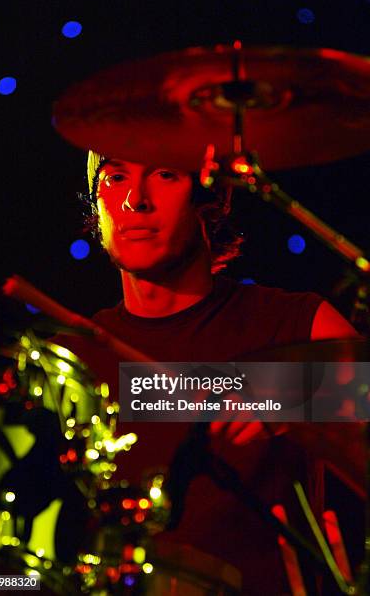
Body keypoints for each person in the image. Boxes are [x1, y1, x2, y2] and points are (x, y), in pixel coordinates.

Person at [55, 152, 361, 595]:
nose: (134, 201)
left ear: (209, 198)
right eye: (115, 176)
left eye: (164, 175)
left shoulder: (299, 325)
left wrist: (293, 395)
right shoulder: (73, 356)